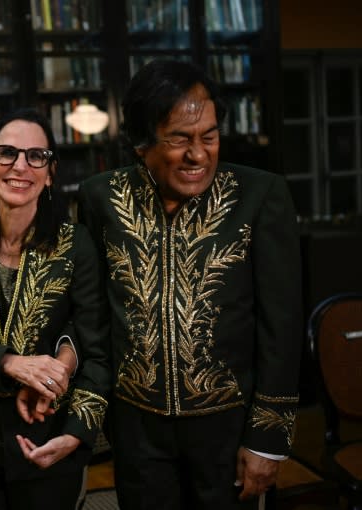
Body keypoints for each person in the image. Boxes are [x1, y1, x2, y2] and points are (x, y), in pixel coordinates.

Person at [77, 59, 303, 509]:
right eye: (180, 139)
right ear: (142, 143)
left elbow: (282, 327)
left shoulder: (259, 196)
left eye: (210, 136)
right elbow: (93, 316)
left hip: (228, 432)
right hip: (136, 432)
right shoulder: (100, 197)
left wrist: (267, 439)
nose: (198, 155)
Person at [0, 108, 110, 510]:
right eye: (7, 153)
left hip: (46, 437)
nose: (20, 166)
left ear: (49, 174)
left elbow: (96, 345)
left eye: (36, 156)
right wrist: (12, 363)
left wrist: (78, 433)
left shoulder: (76, 244)